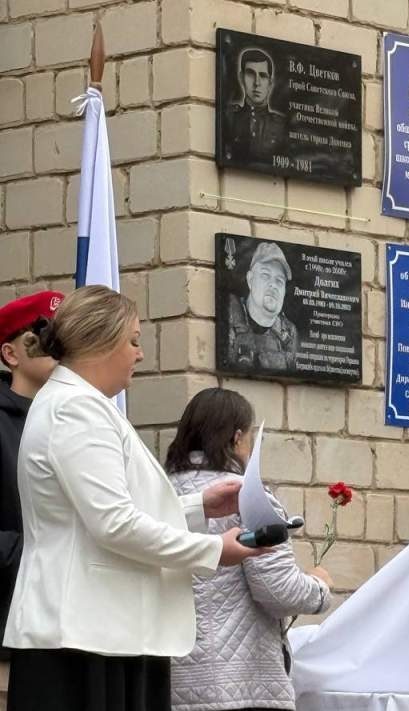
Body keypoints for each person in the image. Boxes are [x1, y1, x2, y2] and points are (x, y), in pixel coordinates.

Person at [3, 286, 269, 711]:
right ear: (101, 343)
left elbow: (102, 512)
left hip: (105, 632)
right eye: (132, 341)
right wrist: (213, 550)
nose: (140, 354)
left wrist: (199, 507)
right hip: (83, 637)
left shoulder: (83, 404)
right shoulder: (75, 409)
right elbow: (114, 524)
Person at [165, 387, 333, 711]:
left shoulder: (160, 495)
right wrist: (319, 586)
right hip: (241, 684)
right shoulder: (246, 496)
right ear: (237, 437)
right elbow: (279, 591)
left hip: (171, 682)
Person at [0, 291, 63, 658]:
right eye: (44, 334)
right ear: (11, 354)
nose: (57, 345)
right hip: (11, 625)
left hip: (69, 630)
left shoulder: (76, 416)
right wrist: (37, 550)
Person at [228, 241, 299, 372]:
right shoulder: (228, 315)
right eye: (265, 275)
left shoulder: (289, 333)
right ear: (250, 280)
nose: (273, 285)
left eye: (279, 281)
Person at [226, 47, 287, 161]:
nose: (257, 83)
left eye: (263, 76)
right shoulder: (229, 117)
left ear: (270, 83)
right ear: (241, 78)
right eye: (250, 74)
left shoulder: (282, 126)